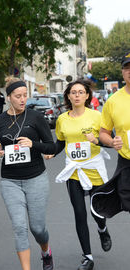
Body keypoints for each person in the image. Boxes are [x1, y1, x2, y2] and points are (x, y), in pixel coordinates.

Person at [0, 76, 55, 270]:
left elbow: (51, 146)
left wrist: (34, 144)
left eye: (25, 95)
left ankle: (46, 251)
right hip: (10, 181)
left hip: (36, 178)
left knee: (37, 228)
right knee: (19, 228)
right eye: (18, 96)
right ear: (9, 97)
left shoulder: (36, 118)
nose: (23, 99)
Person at [44, 79, 112, 270]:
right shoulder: (62, 119)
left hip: (95, 169)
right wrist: (52, 152)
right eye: (73, 92)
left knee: (96, 210)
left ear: (87, 96)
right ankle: (88, 257)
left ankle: (102, 229)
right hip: (74, 171)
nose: (77, 95)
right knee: (80, 214)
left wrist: (96, 139)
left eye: (81, 92)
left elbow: (109, 140)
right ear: (68, 96)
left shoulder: (96, 117)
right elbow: (60, 142)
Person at [91, 52, 130, 219]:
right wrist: (113, 142)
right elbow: (103, 133)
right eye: (127, 68)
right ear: (122, 72)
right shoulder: (113, 101)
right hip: (127, 163)